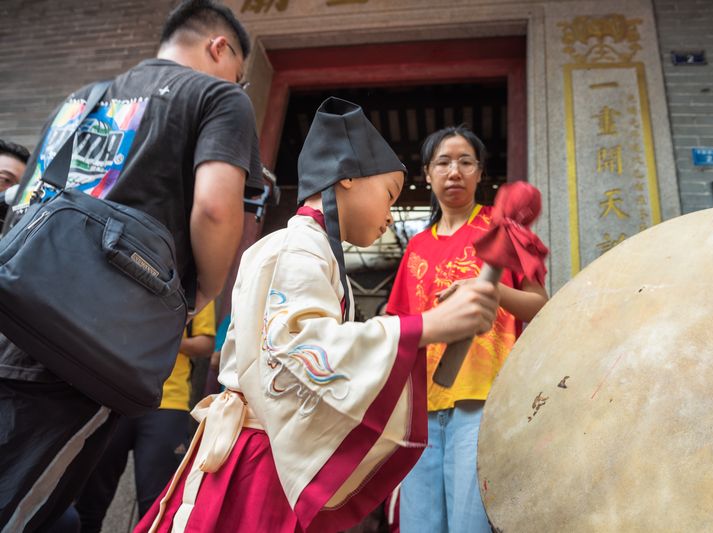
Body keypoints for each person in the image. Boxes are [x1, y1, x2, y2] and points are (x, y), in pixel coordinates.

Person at [134, 97, 499, 533]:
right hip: (261, 453)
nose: (389, 216)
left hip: (262, 445)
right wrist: (428, 326)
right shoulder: (301, 247)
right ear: (346, 177)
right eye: (389, 195)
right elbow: (301, 349)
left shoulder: (303, 246)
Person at [0, 1, 262, 531]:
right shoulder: (217, 96)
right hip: (89, 345)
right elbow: (215, 206)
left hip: (12, 319)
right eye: (239, 72)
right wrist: (199, 296)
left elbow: (23, 203)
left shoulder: (79, 98)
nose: (238, 82)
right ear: (220, 48)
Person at [386, 125, 549, 533]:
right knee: (419, 525)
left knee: (469, 525)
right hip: (420, 408)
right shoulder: (417, 245)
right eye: (443, 162)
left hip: (483, 399)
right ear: (427, 173)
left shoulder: (503, 229)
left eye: (465, 162)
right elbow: (399, 323)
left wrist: (489, 292)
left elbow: (540, 303)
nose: (454, 171)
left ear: (480, 173)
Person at [74, 303, 216, 532]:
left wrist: (165, 338)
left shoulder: (198, 283)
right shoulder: (127, 268)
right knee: (88, 501)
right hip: (114, 395)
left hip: (168, 402)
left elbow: (206, 344)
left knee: (156, 508)